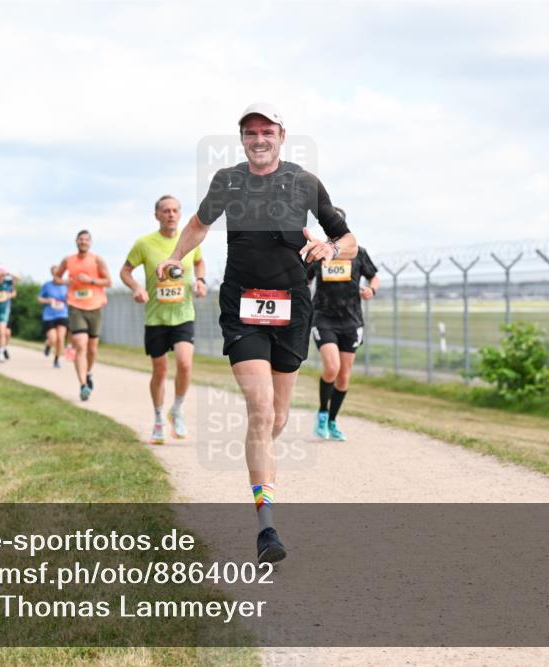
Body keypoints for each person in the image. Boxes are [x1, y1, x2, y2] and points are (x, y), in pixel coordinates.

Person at [157, 103, 357, 564]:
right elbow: (199, 224)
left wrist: (329, 248)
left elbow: (348, 240)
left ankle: (260, 458)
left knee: (276, 417)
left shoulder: (305, 182)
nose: (259, 139)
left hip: (292, 307)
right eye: (251, 132)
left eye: (267, 131)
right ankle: (266, 527)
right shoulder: (228, 181)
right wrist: (175, 257)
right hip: (242, 304)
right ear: (242, 139)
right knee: (262, 410)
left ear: (282, 136)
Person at [121, 195, 208, 444]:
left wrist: (200, 281)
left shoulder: (189, 239)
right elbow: (125, 271)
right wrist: (137, 288)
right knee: (160, 370)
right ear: (157, 215)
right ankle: (159, 418)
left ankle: (177, 410)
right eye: (166, 211)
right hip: (156, 317)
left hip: (183, 315)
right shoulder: (144, 243)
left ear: (180, 214)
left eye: (175, 210)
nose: (171, 214)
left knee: (185, 364)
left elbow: (199, 262)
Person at [306, 232, 380, 441]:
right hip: (323, 317)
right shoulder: (319, 252)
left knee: (343, 376)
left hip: (351, 321)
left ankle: (332, 420)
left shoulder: (358, 253)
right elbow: (305, 279)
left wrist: (371, 290)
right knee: (332, 367)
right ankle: (322, 412)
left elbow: (373, 276)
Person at [55, 230, 111, 400]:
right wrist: (65, 281)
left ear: (90, 242)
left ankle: (88, 372)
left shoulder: (97, 260)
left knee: (92, 349)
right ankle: (83, 385)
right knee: (80, 344)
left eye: (86, 239)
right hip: (75, 305)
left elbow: (108, 281)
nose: (83, 242)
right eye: (81, 239)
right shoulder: (68, 260)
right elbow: (57, 278)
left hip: (95, 306)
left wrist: (90, 280)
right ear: (76, 241)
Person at [38, 265, 69, 369]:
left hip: (62, 314)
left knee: (60, 338)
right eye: (55, 273)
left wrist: (68, 300)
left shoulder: (66, 285)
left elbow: (71, 298)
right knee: (53, 339)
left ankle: (56, 359)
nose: (58, 275)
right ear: (52, 274)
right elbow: (39, 299)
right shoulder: (47, 285)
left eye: (59, 273)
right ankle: (48, 345)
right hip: (49, 315)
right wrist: (48, 300)